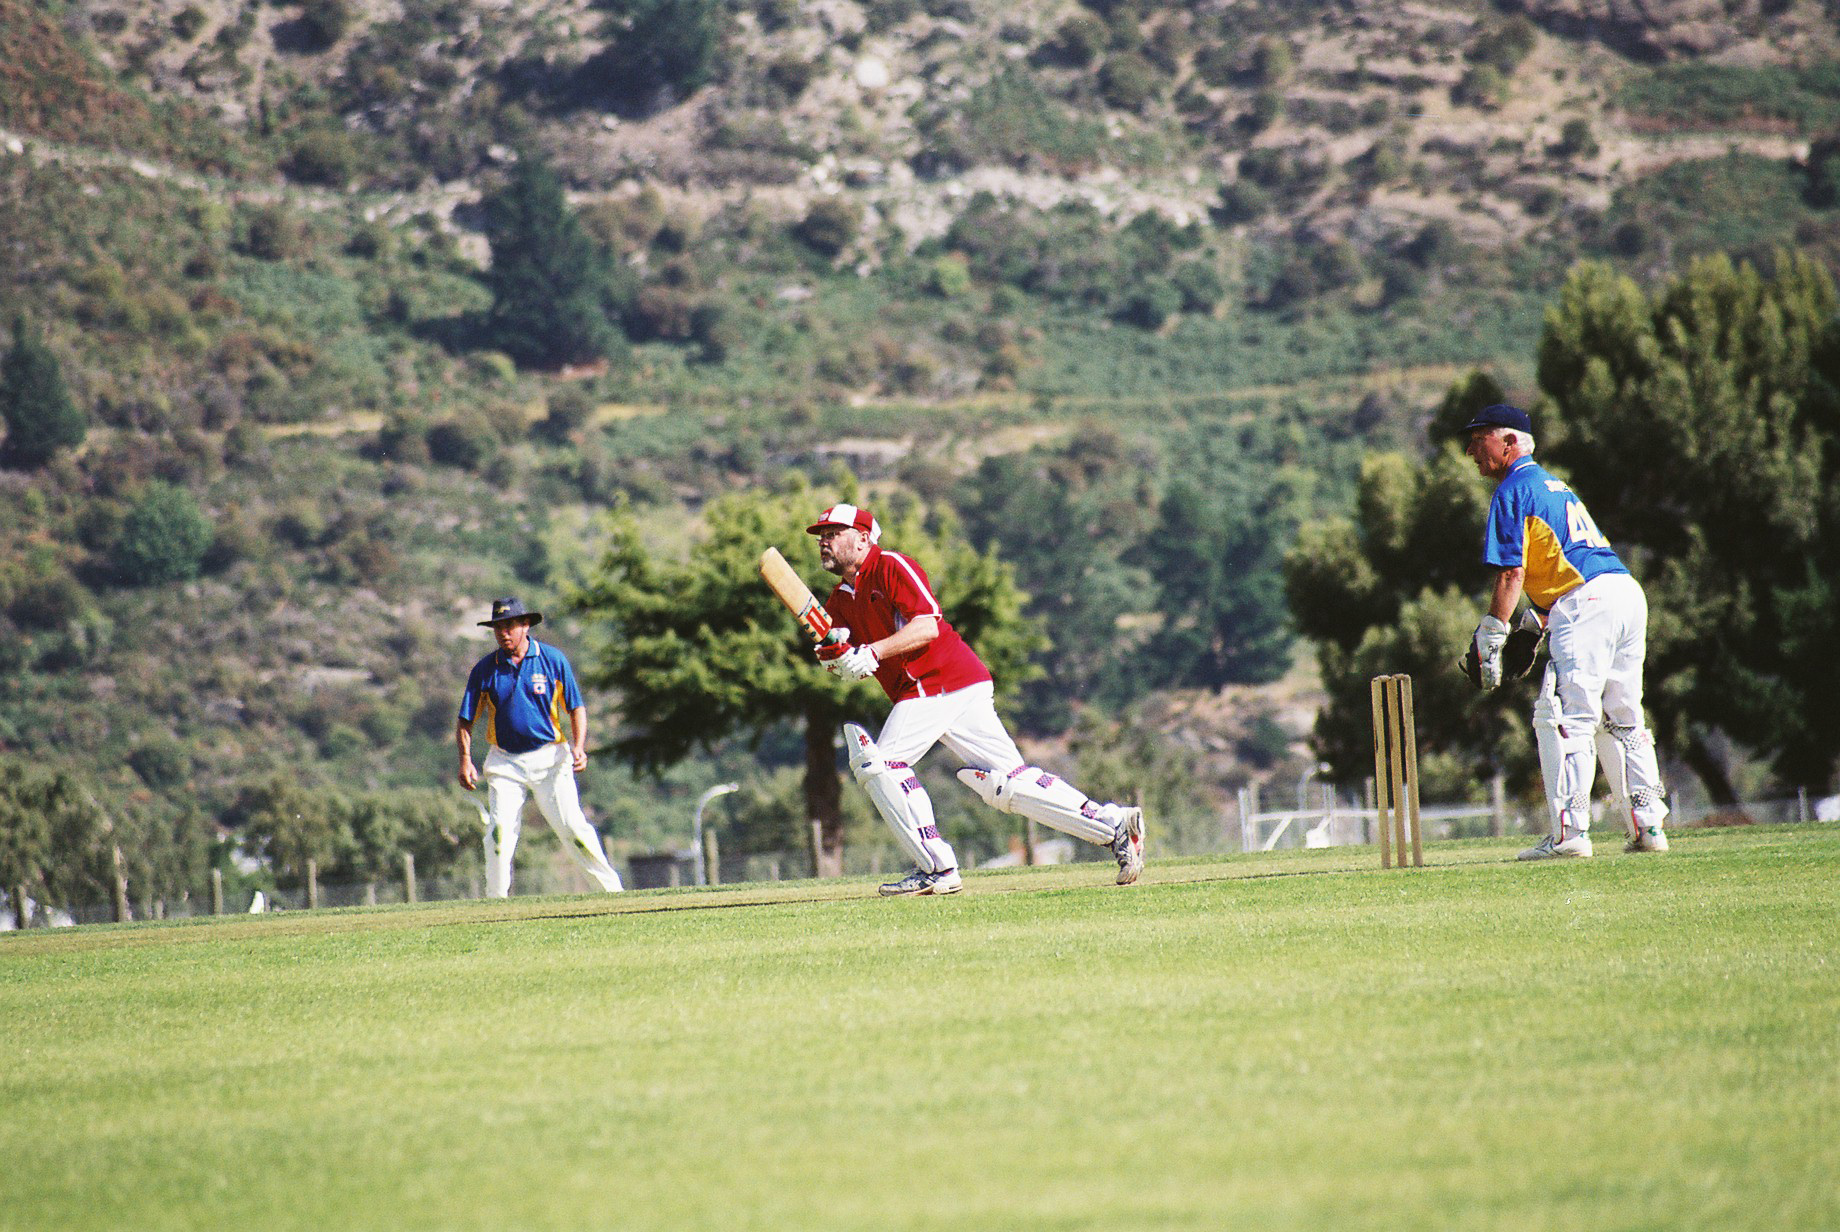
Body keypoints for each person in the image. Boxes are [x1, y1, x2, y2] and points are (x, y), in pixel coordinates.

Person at [804, 503, 1145, 895]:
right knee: (1007, 785)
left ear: (863, 538)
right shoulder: (840, 598)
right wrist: (839, 661)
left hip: (938, 680)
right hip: (949, 685)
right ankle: (1115, 826)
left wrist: (873, 653)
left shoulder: (892, 566)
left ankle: (937, 867)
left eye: (833, 533)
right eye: (821, 536)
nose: (824, 542)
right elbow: (840, 648)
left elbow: (927, 625)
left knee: (879, 765)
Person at [1461, 405, 1669, 859]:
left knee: (1563, 716)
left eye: (1480, 439)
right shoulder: (1555, 487)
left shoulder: (1513, 490)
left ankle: (1570, 834)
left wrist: (1491, 636)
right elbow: (1561, 566)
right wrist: (1530, 629)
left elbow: (1511, 575)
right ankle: (1648, 827)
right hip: (1623, 593)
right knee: (1622, 716)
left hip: (1587, 603)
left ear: (1510, 442)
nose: (1470, 450)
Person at [457, 597, 625, 896]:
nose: (503, 633)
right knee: (498, 834)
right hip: (505, 761)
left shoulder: (552, 660)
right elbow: (466, 720)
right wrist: (466, 760)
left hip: (551, 759)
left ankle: (613, 895)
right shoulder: (485, 670)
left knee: (574, 830)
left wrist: (579, 746)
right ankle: (496, 905)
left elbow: (575, 707)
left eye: (509, 626)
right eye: (497, 627)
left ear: (525, 625)